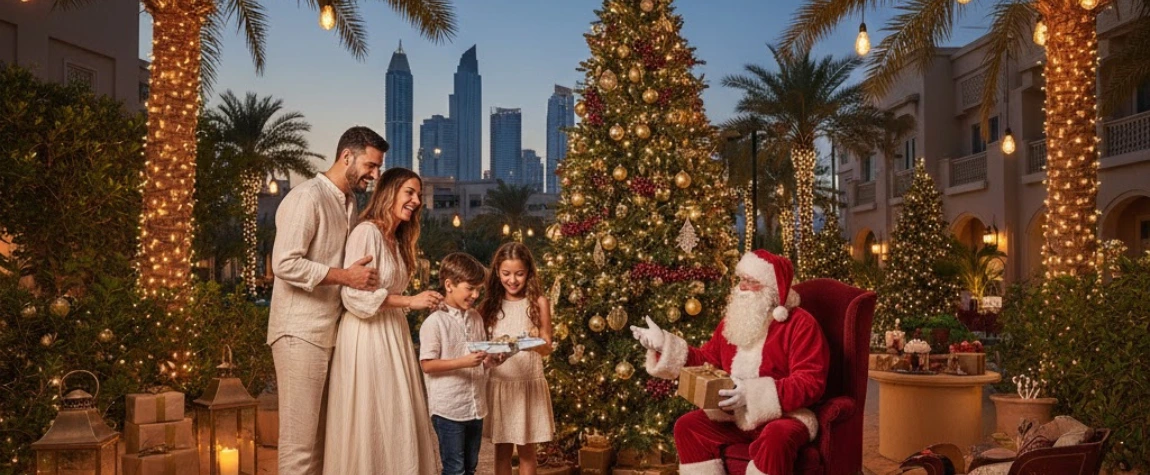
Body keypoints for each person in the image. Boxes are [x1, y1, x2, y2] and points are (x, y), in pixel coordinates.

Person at [630, 250, 830, 475]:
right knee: (688, 427)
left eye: (751, 282)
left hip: (786, 415)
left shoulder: (801, 324)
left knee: (777, 437)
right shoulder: (734, 321)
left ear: (773, 290)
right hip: (734, 415)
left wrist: (752, 394)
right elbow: (707, 361)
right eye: (741, 279)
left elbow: (810, 382)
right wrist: (664, 345)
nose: (742, 287)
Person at [266, 126, 386, 474]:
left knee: (321, 442)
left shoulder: (348, 204)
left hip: (327, 333)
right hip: (298, 333)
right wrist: (345, 276)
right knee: (300, 445)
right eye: (371, 165)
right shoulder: (306, 198)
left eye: (378, 169)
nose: (375, 175)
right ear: (346, 157)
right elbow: (284, 262)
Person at [323, 167, 444, 474]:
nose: (416, 200)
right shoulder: (367, 233)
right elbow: (353, 296)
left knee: (398, 414)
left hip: (393, 335)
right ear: (389, 193)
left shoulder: (397, 239)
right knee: (375, 415)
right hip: (367, 336)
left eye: (418, 194)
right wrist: (410, 301)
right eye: (409, 192)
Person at [419, 252, 502, 475]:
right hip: (449, 410)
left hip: (475, 407)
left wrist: (490, 359)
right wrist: (464, 362)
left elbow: (480, 359)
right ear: (449, 285)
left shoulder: (475, 318)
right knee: (454, 469)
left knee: (470, 468)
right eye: (470, 288)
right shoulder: (434, 322)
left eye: (478, 289)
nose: (475, 294)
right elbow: (427, 365)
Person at [478, 242, 556, 475]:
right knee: (501, 449)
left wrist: (532, 345)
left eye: (519, 274)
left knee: (526, 450)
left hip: (527, 383)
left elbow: (547, 346)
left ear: (528, 273)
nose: (512, 280)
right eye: (506, 274)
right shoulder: (489, 306)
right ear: (497, 273)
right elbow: (483, 346)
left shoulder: (538, 302)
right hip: (501, 384)